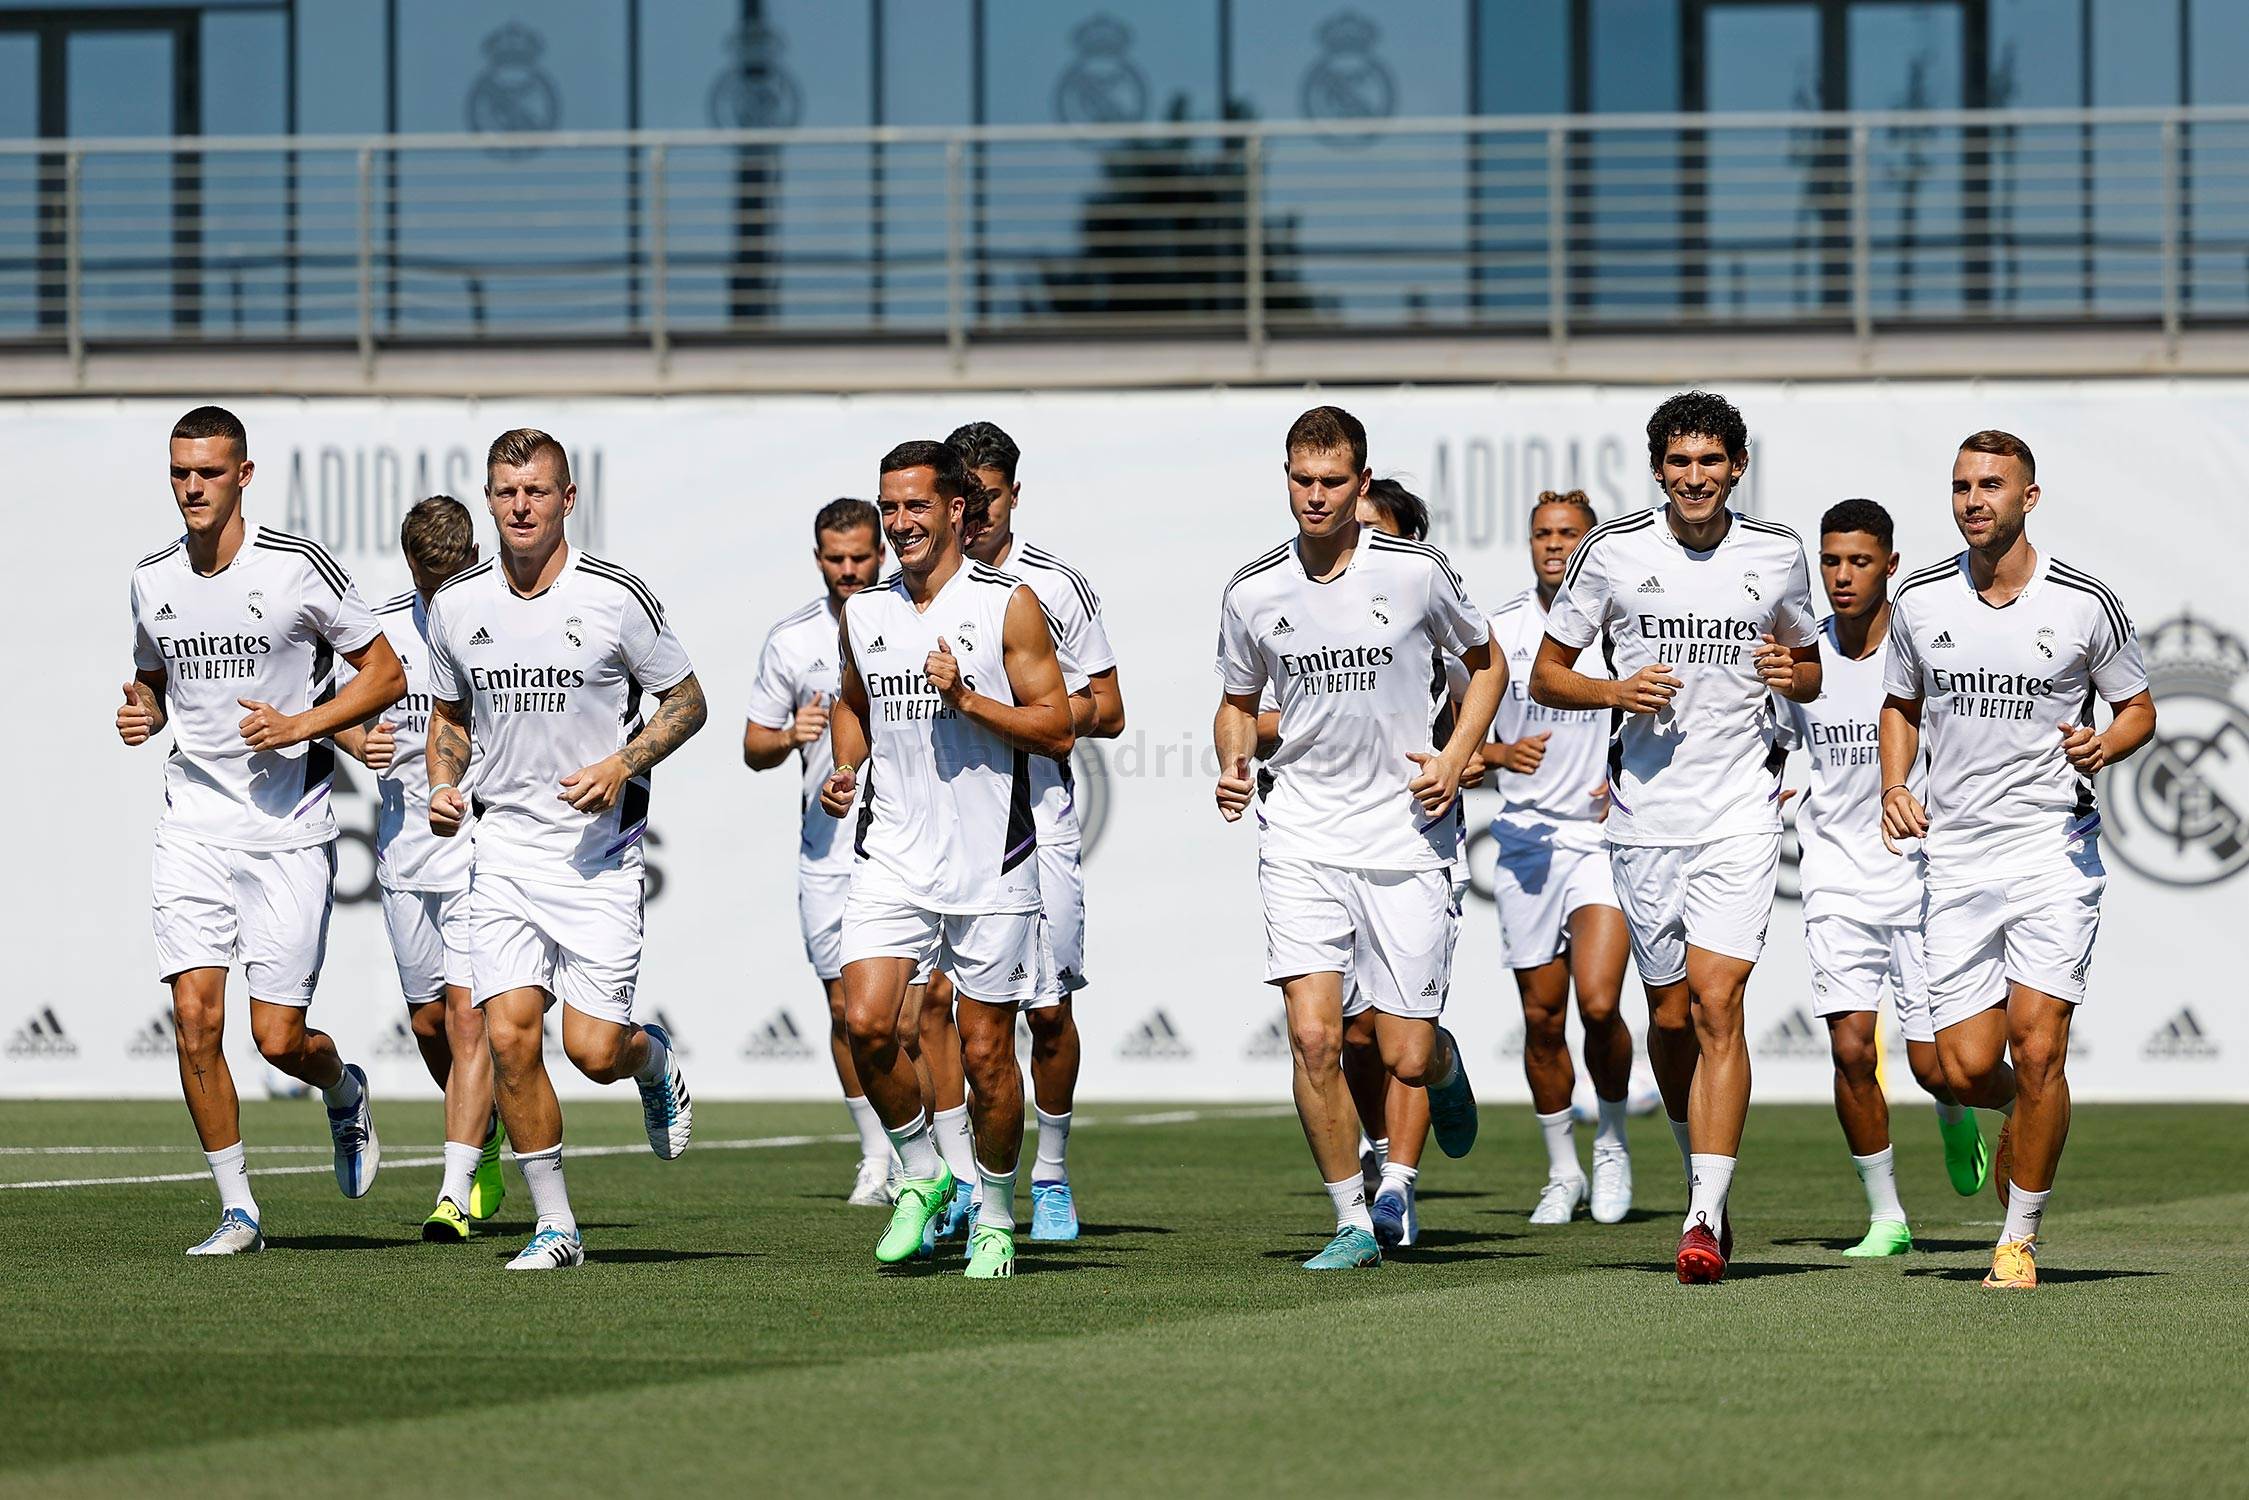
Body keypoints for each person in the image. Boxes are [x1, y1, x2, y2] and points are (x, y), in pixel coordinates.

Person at [1530, 390, 1821, 1285]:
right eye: (1679, 462)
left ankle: (1701, 1216)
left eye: (1710, 461)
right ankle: (1699, 1161)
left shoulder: (1776, 553)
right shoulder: (1611, 552)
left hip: (1739, 809)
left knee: (1716, 1001)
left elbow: (1809, 668)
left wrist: (1793, 673)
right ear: (1658, 469)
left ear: (1736, 467)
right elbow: (1547, 674)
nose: (1694, 477)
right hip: (1645, 820)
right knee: (1667, 1019)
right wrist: (1616, 694)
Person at [1214, 407, 1501, 1271]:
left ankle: (1445, 1067)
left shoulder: (1414, 573)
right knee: (1313, 1037)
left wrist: (1454, 757)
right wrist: (1233, 762)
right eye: (1301, 479)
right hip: (1299, 832)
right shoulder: (1252, 589)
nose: (1315, 495)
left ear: (1361, 483)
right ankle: (1350, 1219)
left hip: (1407, 835)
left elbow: (1486, 665)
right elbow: (1234, 702)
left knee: (1404, 1049)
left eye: (1332, 481)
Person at [120, 405, 405, 1256]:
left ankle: (343, 1090)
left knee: (277, 1039)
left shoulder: (297, 569)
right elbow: (149, 681)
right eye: (180, 473)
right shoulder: (151, 578)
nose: (192, 488)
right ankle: (238, 1209)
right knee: (194, 1020)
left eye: (208, 472)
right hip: (193, 826)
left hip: (288, 829)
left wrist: (302, 724)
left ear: (244, 476)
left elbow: (385, 674)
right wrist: (144, 711)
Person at [423, 428, 708, 1271]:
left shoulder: (615, 597)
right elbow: (449, 717)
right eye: (507, 492)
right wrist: (445, 783)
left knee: (590, 1052)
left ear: (567, 499)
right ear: (489, 499)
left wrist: (622, 762)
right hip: (504, 853)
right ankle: (558, 1228)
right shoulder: (457, 604)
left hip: (596, 859)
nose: (521, 506)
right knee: (509, 1039)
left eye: (537, 492)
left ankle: (649, 1061)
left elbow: (687, 702)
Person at [1880, 431, 2154, 1290]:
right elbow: (1899, 702)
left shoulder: (2082, 603)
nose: (1972, 499)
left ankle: (2017, 1238)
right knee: (1960, 1066)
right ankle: (2021, 1116)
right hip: (1955, 855)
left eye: (1991, 485)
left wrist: (2103, 746)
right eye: (1961, 485)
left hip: (2050, 850)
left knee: (2038, 1053)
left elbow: (2138, 707)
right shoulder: (1919, 599)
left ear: (2027, 498)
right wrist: (1894, 782)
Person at [820, 439, 1076, 1281]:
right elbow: (853, 703)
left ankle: (997, 1216)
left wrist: (967, 697)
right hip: (892, 852)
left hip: (991, 863)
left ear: (956, 510)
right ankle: (924, 1175)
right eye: (889, 509)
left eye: (915, 508)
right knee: (862, 1023)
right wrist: (845, 767)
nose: (900, 525)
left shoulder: (1010, 602)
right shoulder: (864, 612)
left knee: (987, 1059)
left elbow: (1059, 726)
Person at [1777, 498, 1990, 1258]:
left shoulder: (1929, 646)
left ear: (1889, 566)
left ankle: (1956, 1109)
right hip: (1834, 880)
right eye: (1830, 560)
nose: (1841, 575)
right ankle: (1887, 1217)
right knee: (1848, 1051)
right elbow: (1768, 744)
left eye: (1859, 561)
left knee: (1942, 1069)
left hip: (1923, 880)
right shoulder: (1798, 660)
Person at [945, 419, 1128, 1243]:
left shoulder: (1051, 585)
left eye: (988, 497)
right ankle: (960, 1178)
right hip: (940, 832)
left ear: (1013, 494)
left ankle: (1049, 1175)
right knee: (938, 1015)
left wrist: (1033, 713)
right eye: (965, 498)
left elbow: (1110, 710)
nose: (975, 513)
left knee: (1045, 1013)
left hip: (1036, 821)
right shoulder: (913, 587)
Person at [332, 496, 508, 1240]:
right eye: (430, 577)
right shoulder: (381, 629)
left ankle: (453, 1188)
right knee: (430, 1025)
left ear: (474, 556)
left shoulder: (499, 616)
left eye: (456, 571)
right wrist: (354, 742)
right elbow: (328, 708)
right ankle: (488, 1130)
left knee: (471, 1026)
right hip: (405, 855)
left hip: (480, 849)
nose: (443, 588)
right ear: (410, 566)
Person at [1484, 490, 1637, 1227]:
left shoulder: (1618, 627)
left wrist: (1630, 770)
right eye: (1541, 533)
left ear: (1589, 545)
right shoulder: (1500, 630)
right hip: (1523, 843)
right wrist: (1496, 753)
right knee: (1541, 1020)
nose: (1553, 545)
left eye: (1567, 534)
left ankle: (1610, 1144)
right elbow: (1452, 733)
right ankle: (1561, 1170)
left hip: (1601, 838)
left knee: (1599, 1002)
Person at [743, 499, 897, 1206]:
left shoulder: (910, 621)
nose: (847, 570)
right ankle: (875, 1153)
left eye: (860, 557)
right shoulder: (791, 640)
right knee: (843, 1011)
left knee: (910, 1014)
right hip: (828, 850)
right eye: (835, 559)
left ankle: (925, 1150)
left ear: (881, 552)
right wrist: (792, 734)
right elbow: (753, 746)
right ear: (818, 559)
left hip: (905, 845)